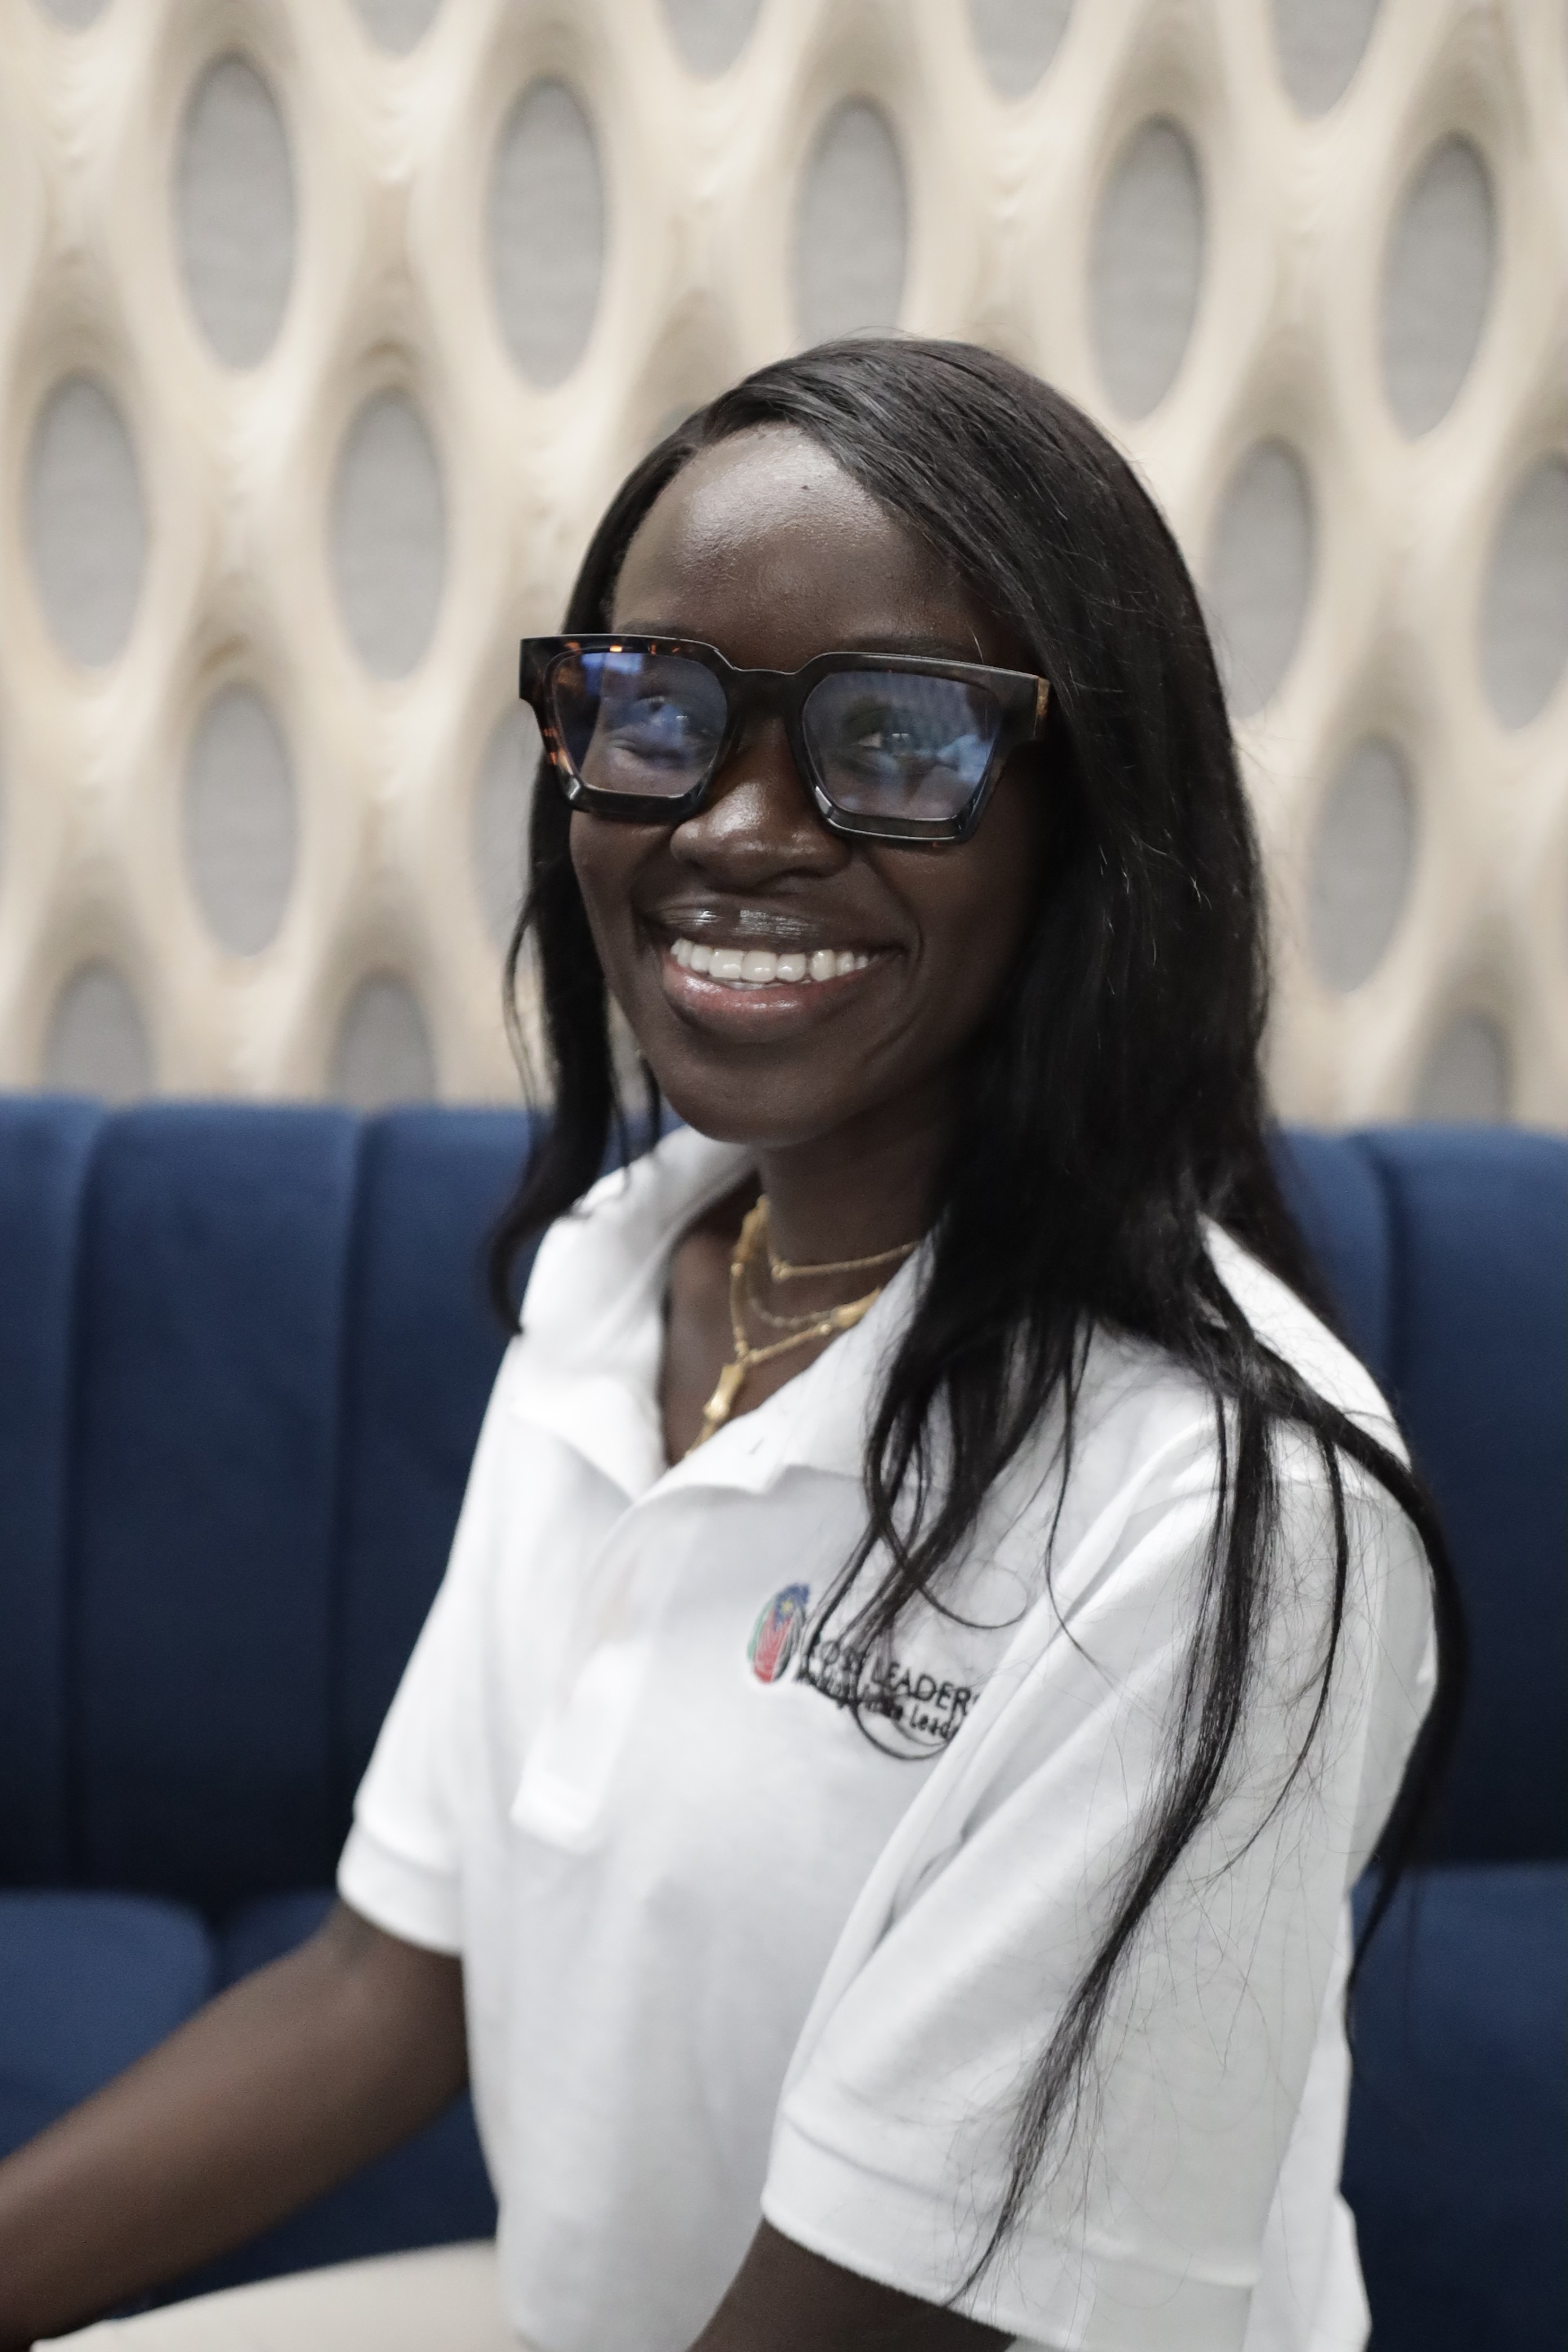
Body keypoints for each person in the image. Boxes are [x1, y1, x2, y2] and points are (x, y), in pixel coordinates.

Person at [0, 338, 1458, 2352]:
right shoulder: (624, 1276)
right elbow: (387, 1983)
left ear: (1090, 818)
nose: (740, 828)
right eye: (655, 711)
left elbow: (878, 2316)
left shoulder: (1227, 1511)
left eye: (895, 739)